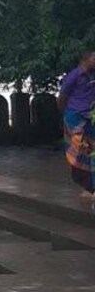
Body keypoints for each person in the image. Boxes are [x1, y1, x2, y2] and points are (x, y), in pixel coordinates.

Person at [58, 52, 95, 198]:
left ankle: (90, 187)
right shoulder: (74, 75)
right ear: (85, 60)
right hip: (75, 117)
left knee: (90, 152)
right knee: (80, 150)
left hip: (90, 117)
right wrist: (65, 114)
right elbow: (63, 95)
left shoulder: (92, 76)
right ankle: (87, 185)